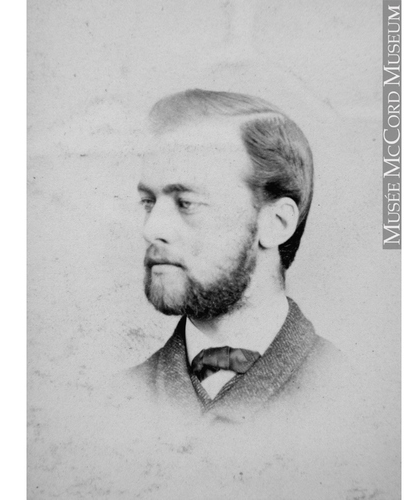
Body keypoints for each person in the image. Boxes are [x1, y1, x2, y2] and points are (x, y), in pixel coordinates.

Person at [131, 89, 351, 425]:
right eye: (149, 202)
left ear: (277, 223)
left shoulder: (362, 399)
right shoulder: (111, 403)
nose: (151, 229)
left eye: (186, 203)